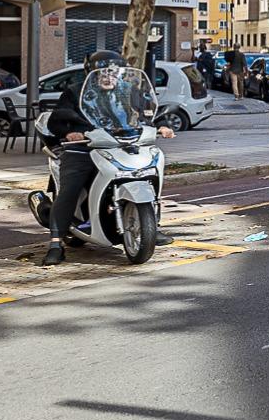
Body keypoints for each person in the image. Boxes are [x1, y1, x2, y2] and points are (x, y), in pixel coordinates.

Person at [39, 50, 173, 266]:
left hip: (123, 145)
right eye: (102, 72)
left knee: (149, 174)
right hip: (84, 148)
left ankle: (150, 225)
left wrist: (162, 125)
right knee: (70, 188)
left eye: (113, 72)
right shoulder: (76, 92)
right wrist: (70, 132)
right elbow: (56, 120)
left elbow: (149, 111)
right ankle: (56, 243)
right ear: (91, 73)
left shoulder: (129, 90)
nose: (108, 76)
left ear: (120, 73)